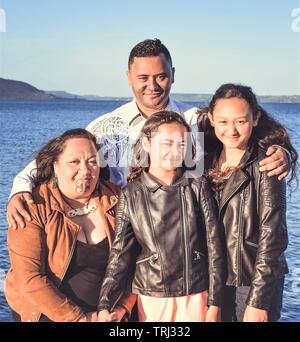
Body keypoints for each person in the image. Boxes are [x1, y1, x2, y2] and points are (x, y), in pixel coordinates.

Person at [7, 39, 289, 229]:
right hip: (121, 236)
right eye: (143, 78)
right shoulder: (106, 127)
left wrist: (283, 150)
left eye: (161, 76)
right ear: (129, 77)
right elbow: (57, 159)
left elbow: (243, 125)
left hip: (186, 239)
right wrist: (20, 188)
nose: (152, 86)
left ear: (173, 74)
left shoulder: (196, 121)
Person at [97, 111, 224, 322]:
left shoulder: (197, 185)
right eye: (166, 143)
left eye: (182, 144)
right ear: (147, 144)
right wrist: (105, 303)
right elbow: (120, 253)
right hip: (151, 295)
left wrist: (215, 303)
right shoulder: (131, 193)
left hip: (195, 293)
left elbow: (214, 246)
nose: (174, 151)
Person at [4, 129, 135, 322]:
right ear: (55, 166)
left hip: (110, 315)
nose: (85, 170)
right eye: (74, 162)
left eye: (92, 161)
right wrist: (80, 319)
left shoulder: (117, 200)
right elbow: (29, 279)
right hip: (50, 314)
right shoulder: (32, 206)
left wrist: (123, 308)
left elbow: (138, 262)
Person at [197, 84, 298, 322]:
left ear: (255, 118)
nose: (231, 130)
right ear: (211, 119)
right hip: (214, 280)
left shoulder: (266, 165)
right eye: (223, 121)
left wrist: (259, 300)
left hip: (249, 282)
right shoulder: (205, 162)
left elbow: (273, 237)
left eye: (240, 121)